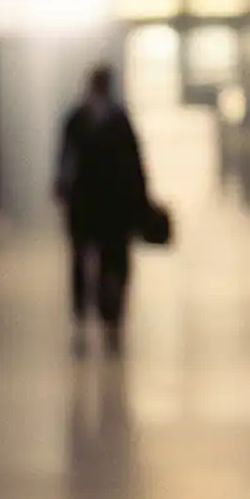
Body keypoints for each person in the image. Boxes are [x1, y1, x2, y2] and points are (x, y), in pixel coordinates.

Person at [55, 65, 147, 352]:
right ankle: (109, 313)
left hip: (87, 204)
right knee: (111, 259)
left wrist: (63, 190)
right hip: (111, 205)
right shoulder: (118, 120)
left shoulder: (78, 119)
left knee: (86, 258)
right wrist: (139, 199)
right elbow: (134, 165)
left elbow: (65, 162)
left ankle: (87, 311)